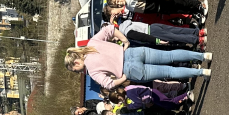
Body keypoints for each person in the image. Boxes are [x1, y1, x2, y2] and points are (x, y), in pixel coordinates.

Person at [65, 24, 210, 91]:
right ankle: (203, 56)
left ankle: (202, 72)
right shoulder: (92, 43)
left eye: (76, 69)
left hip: (129, 70)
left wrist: (123, 78)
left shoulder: (92, 71)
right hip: (131, 52)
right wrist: (125, 41)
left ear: (76, 62)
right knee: (170, 55)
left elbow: (109, 84)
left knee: (169, 72)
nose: (79, 71)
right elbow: (109, 29)